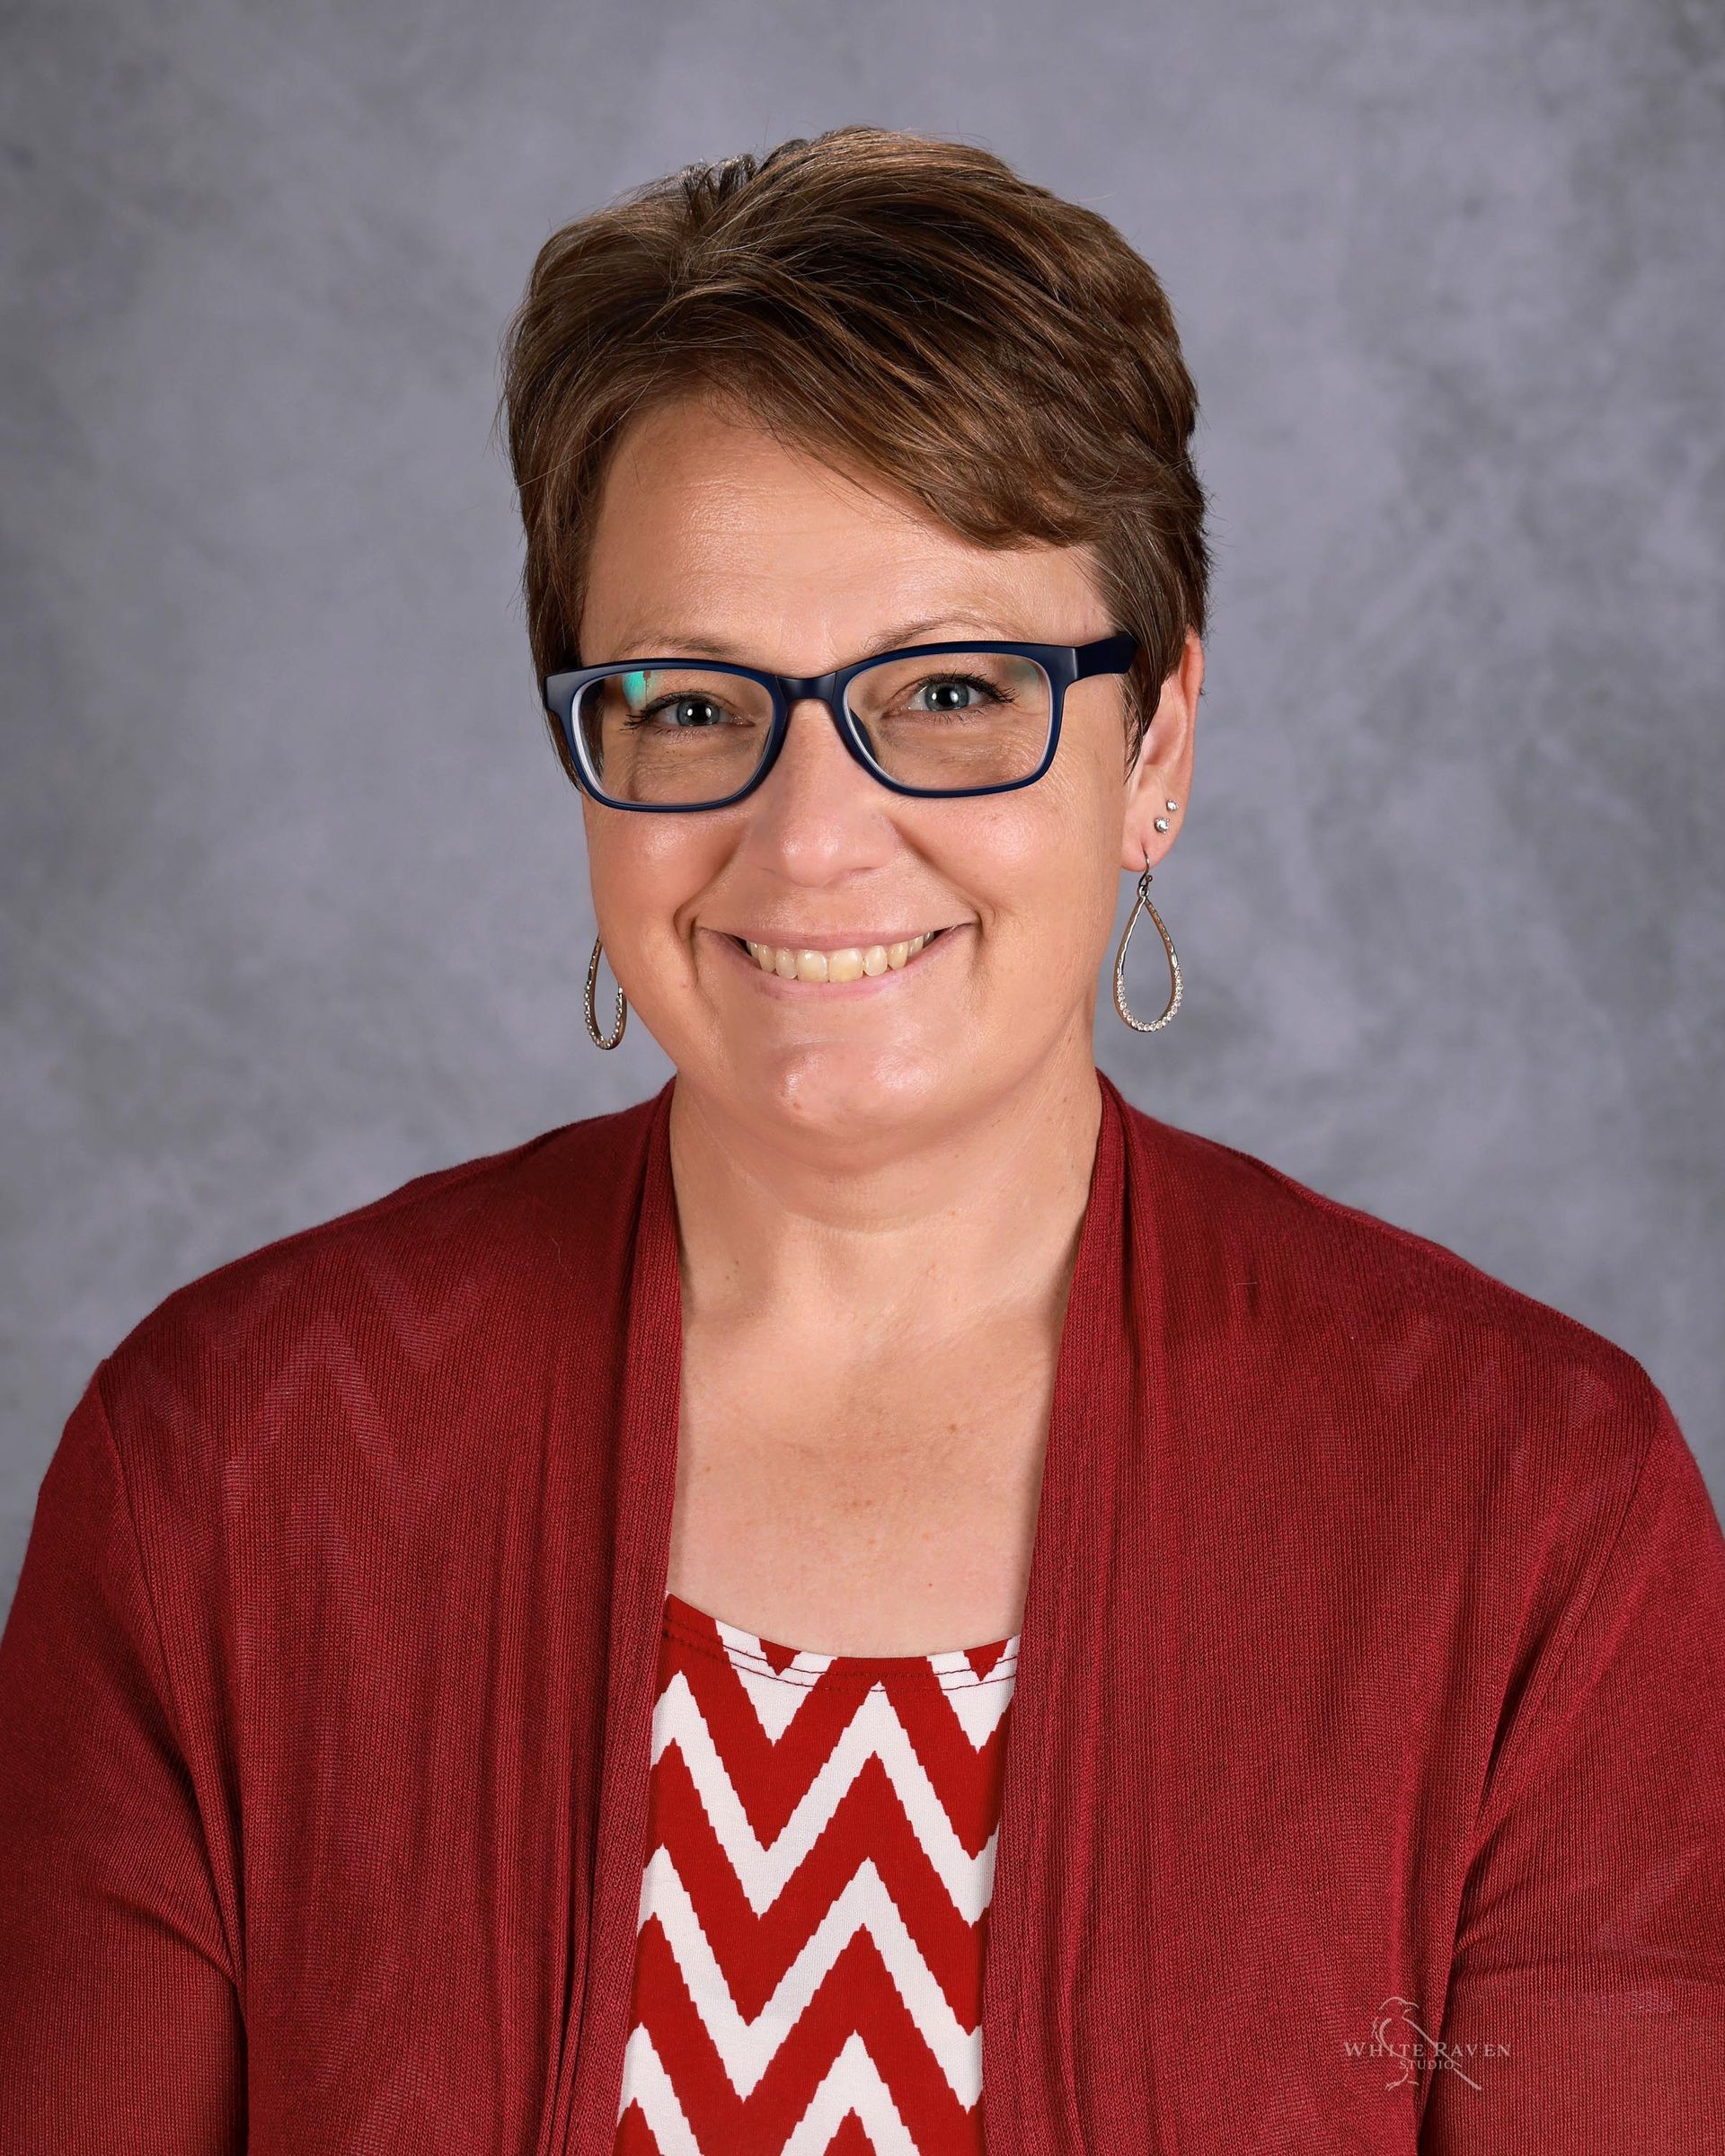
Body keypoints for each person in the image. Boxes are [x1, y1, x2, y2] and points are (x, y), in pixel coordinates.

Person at [1, 124, 1721, 2156]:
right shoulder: (223, 1469)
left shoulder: (1534, 1513)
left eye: (957, 688)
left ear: (1154, 749)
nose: (813, 842)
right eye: (694, 705)